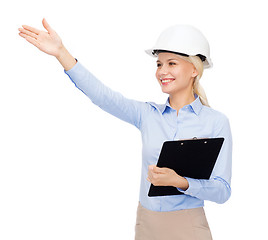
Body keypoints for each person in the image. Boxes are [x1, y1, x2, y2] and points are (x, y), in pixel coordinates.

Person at [18, 19, 232, 240]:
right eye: (159, 64)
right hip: (147, 224)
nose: (162, 71)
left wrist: (180, 182)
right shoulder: (147, 115)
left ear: (194, 69)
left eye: (172, 63)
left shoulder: (215, 122)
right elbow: (103, 96)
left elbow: (222, 190)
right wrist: (61, 53)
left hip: (189, 226)